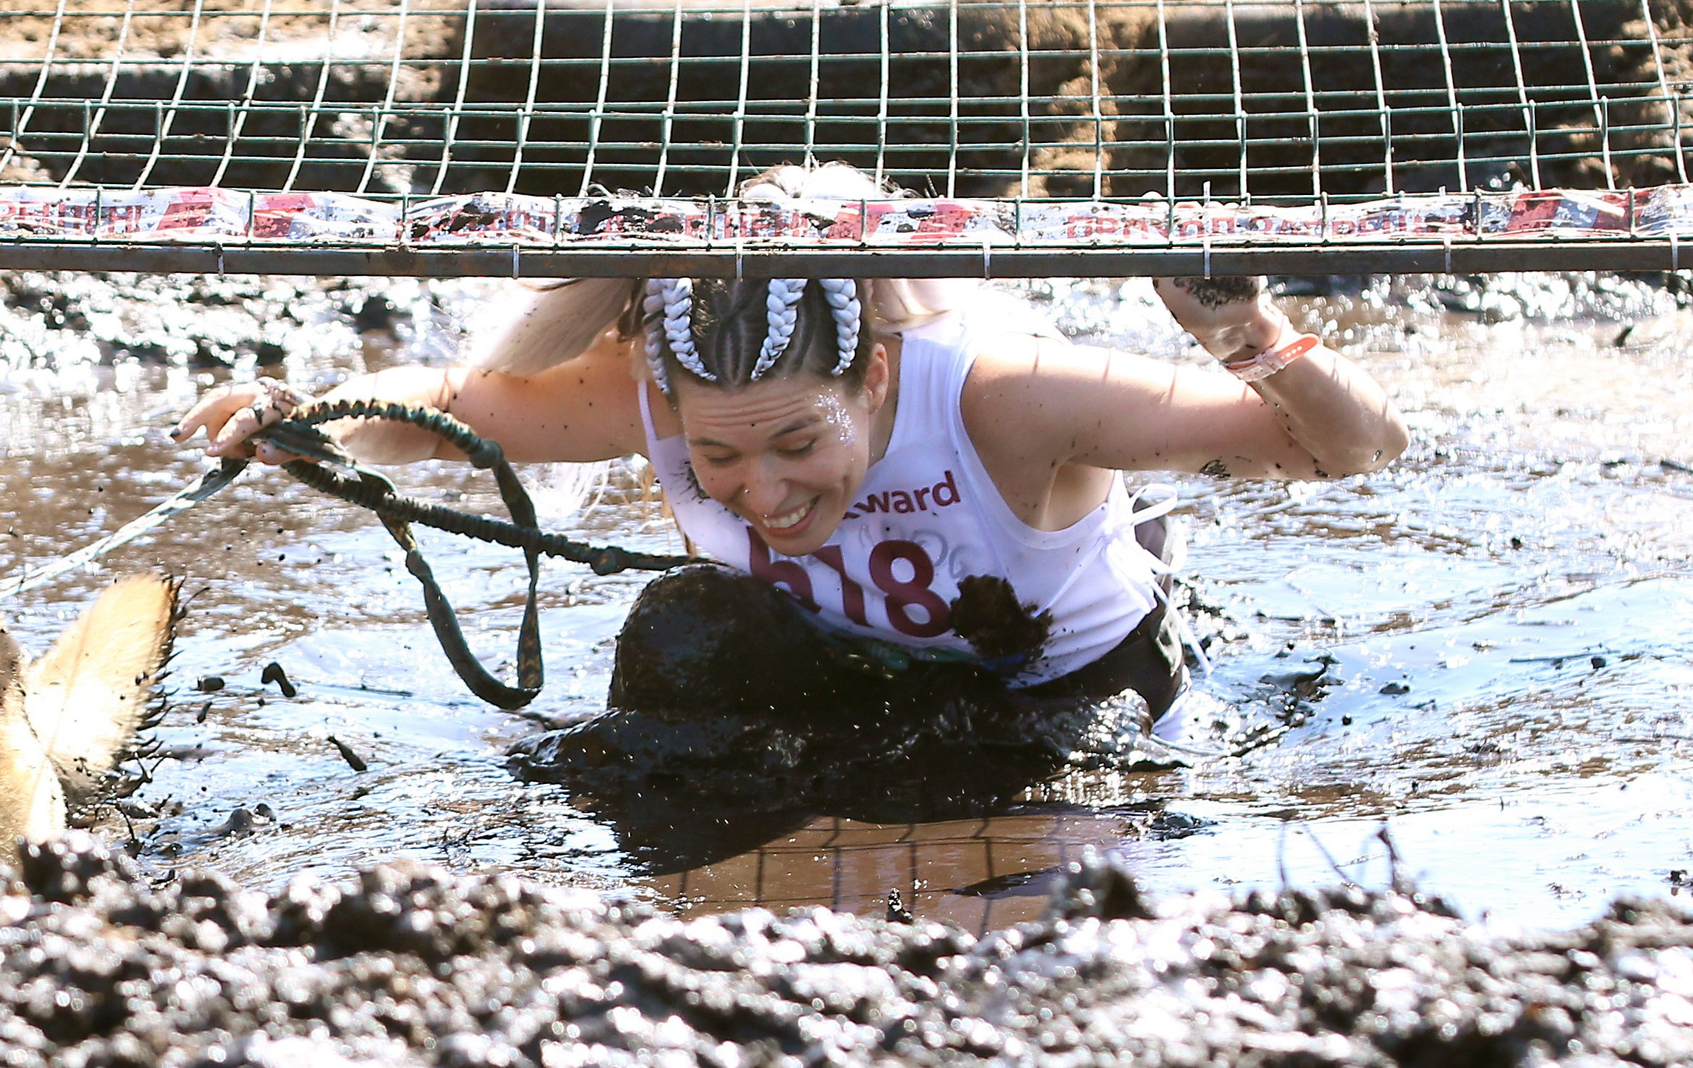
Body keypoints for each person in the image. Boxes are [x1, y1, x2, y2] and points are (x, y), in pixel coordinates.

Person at [176, 266, 1404, 744]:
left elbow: (1354, 446)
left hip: (1074, 687)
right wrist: (301, 420)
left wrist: (1247, 332)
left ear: (872, 379)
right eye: (719, 457)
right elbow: (447, 410)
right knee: (682, 633)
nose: (761, 493)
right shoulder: (654, 390)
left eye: (797, 444)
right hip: (854, 669)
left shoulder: (1011, 398)